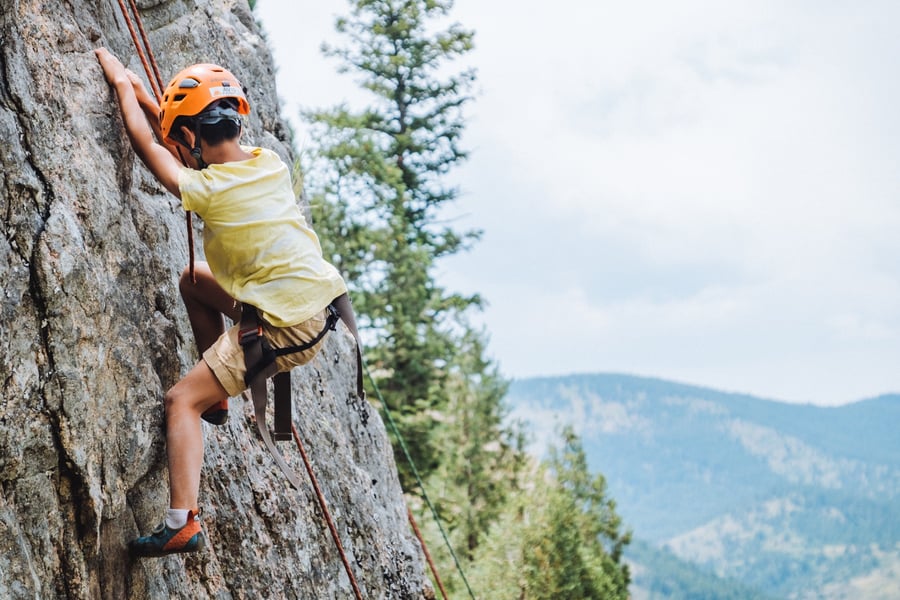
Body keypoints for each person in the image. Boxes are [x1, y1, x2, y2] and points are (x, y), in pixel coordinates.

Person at [95, 48, 356, 557]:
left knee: (178, 401)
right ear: (235, 120)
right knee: (194, 279)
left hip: (281, 326)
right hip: (314, 308)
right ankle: (218, 392)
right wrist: (154, 100)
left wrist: (125, 88)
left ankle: (182, 522)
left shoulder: (207, 191)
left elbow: (150, 144)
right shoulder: (268, 162)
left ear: (191, 136)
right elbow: (175, 137)